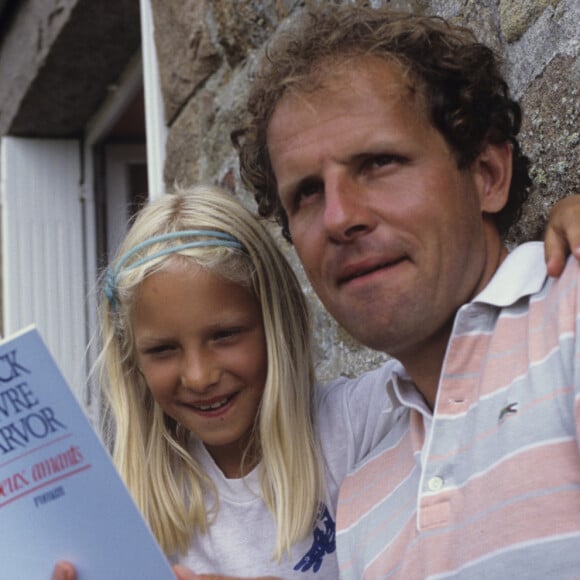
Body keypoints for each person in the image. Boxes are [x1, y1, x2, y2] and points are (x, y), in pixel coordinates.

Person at [229, 4, 580, 578]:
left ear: (487, 174)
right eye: (309, 193)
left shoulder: (570, 319)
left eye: (379, 162)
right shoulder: (364, 496)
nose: (340, 217)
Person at [52, 183, 398, 580]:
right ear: (133, 362)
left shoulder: (368, 422)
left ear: (276, 320)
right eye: (164, 349)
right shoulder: (120, 513)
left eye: (225, 335)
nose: (200, 377)